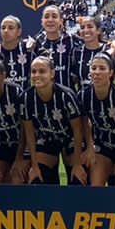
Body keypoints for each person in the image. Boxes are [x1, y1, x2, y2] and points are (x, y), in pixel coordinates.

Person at [21, 54, 86, 184]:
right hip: (47, 139)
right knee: (37, 178)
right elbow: (29, 132)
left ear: (52, 73)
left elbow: (78, 130)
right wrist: (34, 166)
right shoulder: (26, 97)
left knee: (78, 179)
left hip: (70, 139)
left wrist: (78, 164)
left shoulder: (66, 96)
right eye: (33, 71)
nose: (37, 75)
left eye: (42, 71)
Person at [79, 51, 115, 186]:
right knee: (95, 186)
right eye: (93, 68)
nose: (97, 72)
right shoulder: (84, 95)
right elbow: (84, 121)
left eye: (102, 68)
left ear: (110, 73)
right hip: (103, 145)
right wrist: (89, 146)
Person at [32, 4, 76, 87]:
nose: (50, 20)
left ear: (61, 21)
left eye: (54, 16)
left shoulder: (71, 41)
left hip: (66, 96)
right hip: (42, 96)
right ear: (42, 21)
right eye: (46, 16)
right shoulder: (37, 44)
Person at [0, 15, 33, 84]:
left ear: (19, 31)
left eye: (11, 28)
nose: (6, 31)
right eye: (3, 28)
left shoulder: (28, 49)